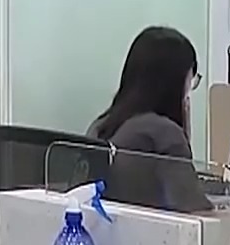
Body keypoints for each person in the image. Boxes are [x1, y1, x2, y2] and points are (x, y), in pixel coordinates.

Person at [89, 26, 213, 213]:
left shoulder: (101, 126)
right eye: (191, 80)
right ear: (175, 82)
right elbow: (197, 214)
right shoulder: (164, 134)